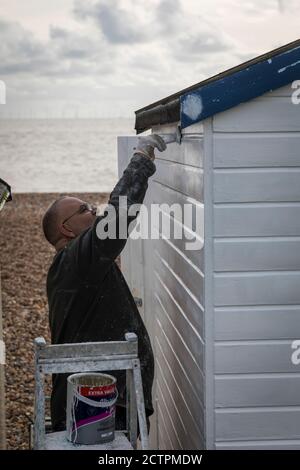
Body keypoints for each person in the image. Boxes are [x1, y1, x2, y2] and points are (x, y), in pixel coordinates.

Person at [42, 134, 167, 436]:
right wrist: (141, 161)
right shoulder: (74, 262)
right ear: (66, 229)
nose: (94, 211)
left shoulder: (71, 268)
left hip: (99, 400)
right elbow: (116, 217)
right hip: (95, 404)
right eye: (85, 209)